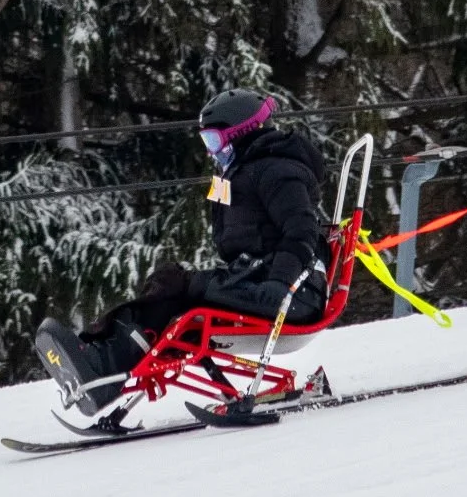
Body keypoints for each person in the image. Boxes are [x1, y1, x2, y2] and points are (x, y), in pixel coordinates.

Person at [33, 87, 330, 414]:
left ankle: (101, 363)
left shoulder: (277, 170)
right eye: (206, 142)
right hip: (261, 280)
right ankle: (97, 358)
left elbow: (301, 230)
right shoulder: (244, 171)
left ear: (242, 133)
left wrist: (280, 283)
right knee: (169, 290)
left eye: (214, 141)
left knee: (175, 284)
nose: (211, 152)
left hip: (292, 293)